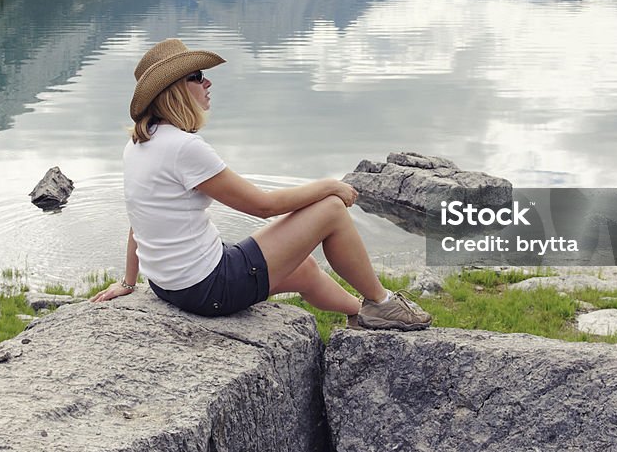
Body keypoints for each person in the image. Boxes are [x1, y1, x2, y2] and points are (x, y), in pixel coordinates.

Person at [90, 38, 431, 331]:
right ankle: (381, 301)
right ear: (176, 90)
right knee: (330, 211)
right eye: (197, 77)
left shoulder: (139, 145)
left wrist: (129, 283)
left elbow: (138, 222)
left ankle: (361, 315)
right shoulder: (183, 147)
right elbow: (262, 206)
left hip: (172, 287)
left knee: (304, 268)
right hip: (211, 288)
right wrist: (330, 186)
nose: (207, 83)